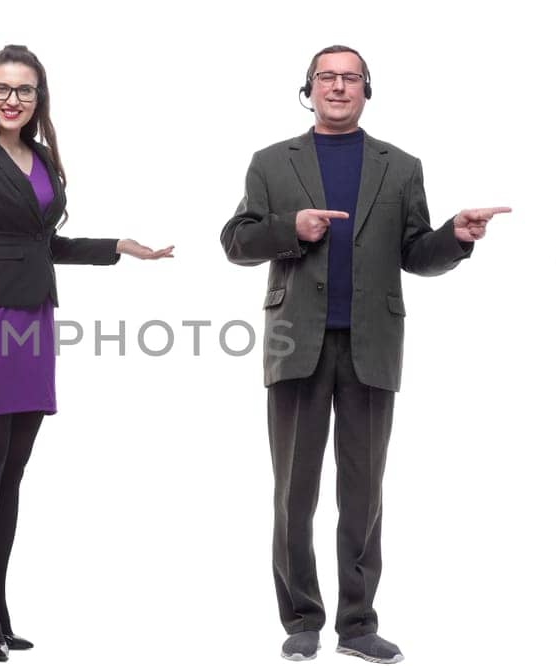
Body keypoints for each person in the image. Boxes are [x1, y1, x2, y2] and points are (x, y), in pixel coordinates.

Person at [220, 45, 511, 664]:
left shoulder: (401, 166)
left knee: (364, 490)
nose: (339, 86)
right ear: (309, 89)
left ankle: (356, 623)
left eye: (351, 78)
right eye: (327, 77)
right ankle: (301, 617)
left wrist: (454, 238)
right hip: (296, 343)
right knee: (293, 491)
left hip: (371, 345)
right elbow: (236, 242)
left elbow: (416, 253)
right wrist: (288, 231)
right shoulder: (271, 162)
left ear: (366, 91)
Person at [0, 44, 173, 662]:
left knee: (13, 471)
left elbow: (40, 243)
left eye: (24, 90)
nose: (12, 100)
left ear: (39, 98)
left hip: (33, 320)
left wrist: (117, 245)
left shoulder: (40, 158)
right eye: (1, 89)